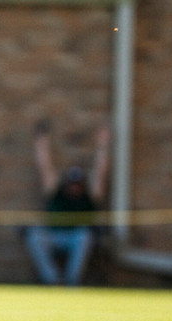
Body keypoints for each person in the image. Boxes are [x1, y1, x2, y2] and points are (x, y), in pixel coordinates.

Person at [23, 119, 111, 286]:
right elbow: (45, 167)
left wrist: (103, 145)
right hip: (54, 235)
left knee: (85, 236)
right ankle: (52, 279)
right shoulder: (56, 192)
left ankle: (72, 281)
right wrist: (41, 143)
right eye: (71, 184)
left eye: (77, 184)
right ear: (66, 183)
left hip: (76, 237)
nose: (74, 188)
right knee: (34, 236)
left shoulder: (90, 196)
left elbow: (101, 172)